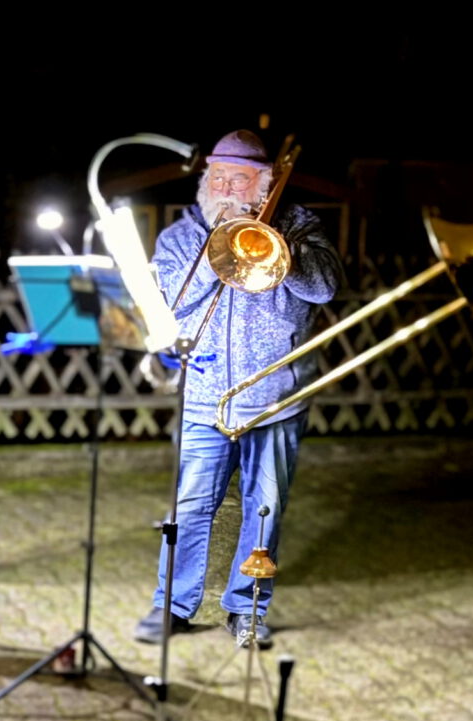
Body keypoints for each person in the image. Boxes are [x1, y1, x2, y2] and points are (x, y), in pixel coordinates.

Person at [134, 129, 344, 649]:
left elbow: (326, 287)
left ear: (264, 185)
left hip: (274, 398)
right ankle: (172, 606)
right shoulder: (181, 236)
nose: (226, 188)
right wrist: (218, 250)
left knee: (265, 507)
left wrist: (281, 249)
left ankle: (247, 609)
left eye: (240, 180)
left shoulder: (298, 227)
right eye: (219, 177)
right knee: (189, 505)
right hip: (203, 396)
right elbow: (172, 305)